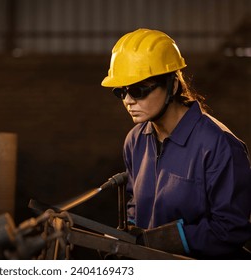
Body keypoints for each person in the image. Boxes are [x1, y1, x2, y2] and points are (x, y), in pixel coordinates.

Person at [101, 28, 251, 259]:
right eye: (121, 92)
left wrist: (161, 240)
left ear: (172, 85)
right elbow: (136, 205)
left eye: (138, 90)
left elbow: (230, 229)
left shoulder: (219, 145)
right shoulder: (135, 140)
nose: (129, 100)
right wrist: (127, 236)